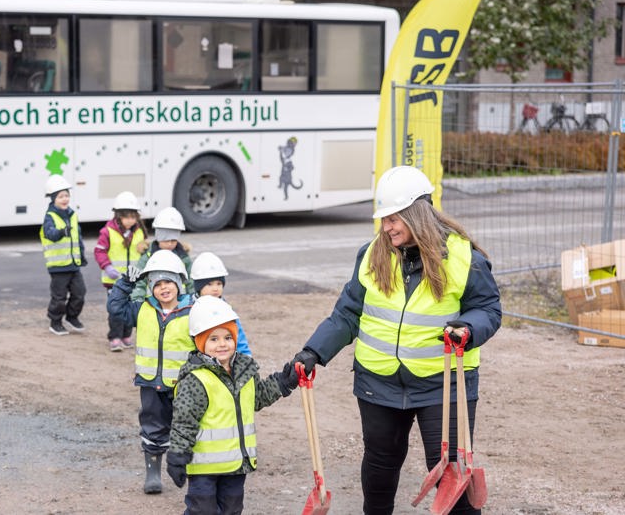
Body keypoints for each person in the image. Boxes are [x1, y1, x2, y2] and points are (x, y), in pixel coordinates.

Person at [290, 165, 502, 515]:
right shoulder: (372, 254)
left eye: (394, 218)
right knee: (379, 469)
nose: (386, 227)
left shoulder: (464, 258)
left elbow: (487, 309)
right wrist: (315, 350)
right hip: (379, 382)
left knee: (452, 475)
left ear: (418, 214)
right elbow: (347, 313)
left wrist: (468, 328)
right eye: (384, 219)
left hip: (443, 383)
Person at [167, 295, 298, 513]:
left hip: (237, 464)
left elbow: (259, 397)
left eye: (228, 337)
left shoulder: (245, 370)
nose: (222, 344)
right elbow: (184, 421)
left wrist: (284, 382)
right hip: (204, 467)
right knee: (203, 511)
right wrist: (178, 454)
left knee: (232, 509)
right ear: (200, 342)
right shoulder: (196, 379)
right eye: (214, 339)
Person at [107, 249, 195, 495]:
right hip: (150, 383)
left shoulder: (193, 311)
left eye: (168, 282)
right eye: (157, 284)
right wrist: (125, 283)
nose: (163, 288)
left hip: (184, 386)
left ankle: (185, 468)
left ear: (179, 283)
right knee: (153, 426)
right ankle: (153, 473)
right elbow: (115, 309)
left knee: (185, 426)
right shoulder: (142, 309)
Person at [94, 191, 148, 352]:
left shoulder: (139, 231)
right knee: (116, 310)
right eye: (127, 217)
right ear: (118, 216)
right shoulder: (107, 232)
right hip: (114, 280)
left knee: (131, 308)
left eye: (134, 217)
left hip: (134, 280)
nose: (131, 220)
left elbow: (145, 251)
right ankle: (115, 337)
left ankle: (126, 335)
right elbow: (99, 251)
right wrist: (107, 267)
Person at [40, 175, 87, 335]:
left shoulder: (72, 215)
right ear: (53, 199)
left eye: (66, 195)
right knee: (59, 297)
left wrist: (81, 255)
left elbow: (77, 237)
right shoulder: (50, 217)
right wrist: (61, 232)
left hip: (73, 264)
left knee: (80, 293)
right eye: (60, 196)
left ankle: (72, 317)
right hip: (58, 267)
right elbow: (50, 234)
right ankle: (55, 321)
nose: (64, 199)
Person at [190, 251, 252, 356]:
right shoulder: (188, 308)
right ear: (198, 287)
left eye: (219, 284)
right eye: (209, 284)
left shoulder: (226, 310)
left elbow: (239, 338)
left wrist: (247, 360)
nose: (215, 288)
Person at [130, 206, 194, 301]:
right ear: (159, 237)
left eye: (173, 240)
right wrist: (137, 302)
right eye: (166, 240)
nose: (169, 244)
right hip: (152, 304)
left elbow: (191, 281)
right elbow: (139, 282)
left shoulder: (183, 257)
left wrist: (193, 298)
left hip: (179, 303)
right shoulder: (147, 257)